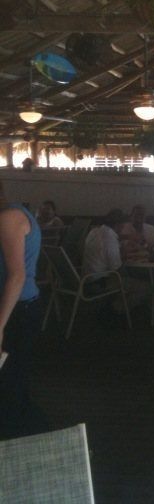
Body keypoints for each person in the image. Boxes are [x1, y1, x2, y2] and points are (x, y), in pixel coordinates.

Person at [0, 180, 47, 439]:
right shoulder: (10, 215)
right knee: (13, 387)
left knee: (10, 390)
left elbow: (17, 276)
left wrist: (0, 326)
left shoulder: (9, 217)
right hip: (17, 309)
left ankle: (43, 446)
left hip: (17, 312)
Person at [83, 208, 125, 275]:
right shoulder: (110, 238)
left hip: (88, 275)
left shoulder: (94, 231)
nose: (123, 228)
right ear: (118, 224)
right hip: (100, 279)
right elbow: (116, 267)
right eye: (123, 225)